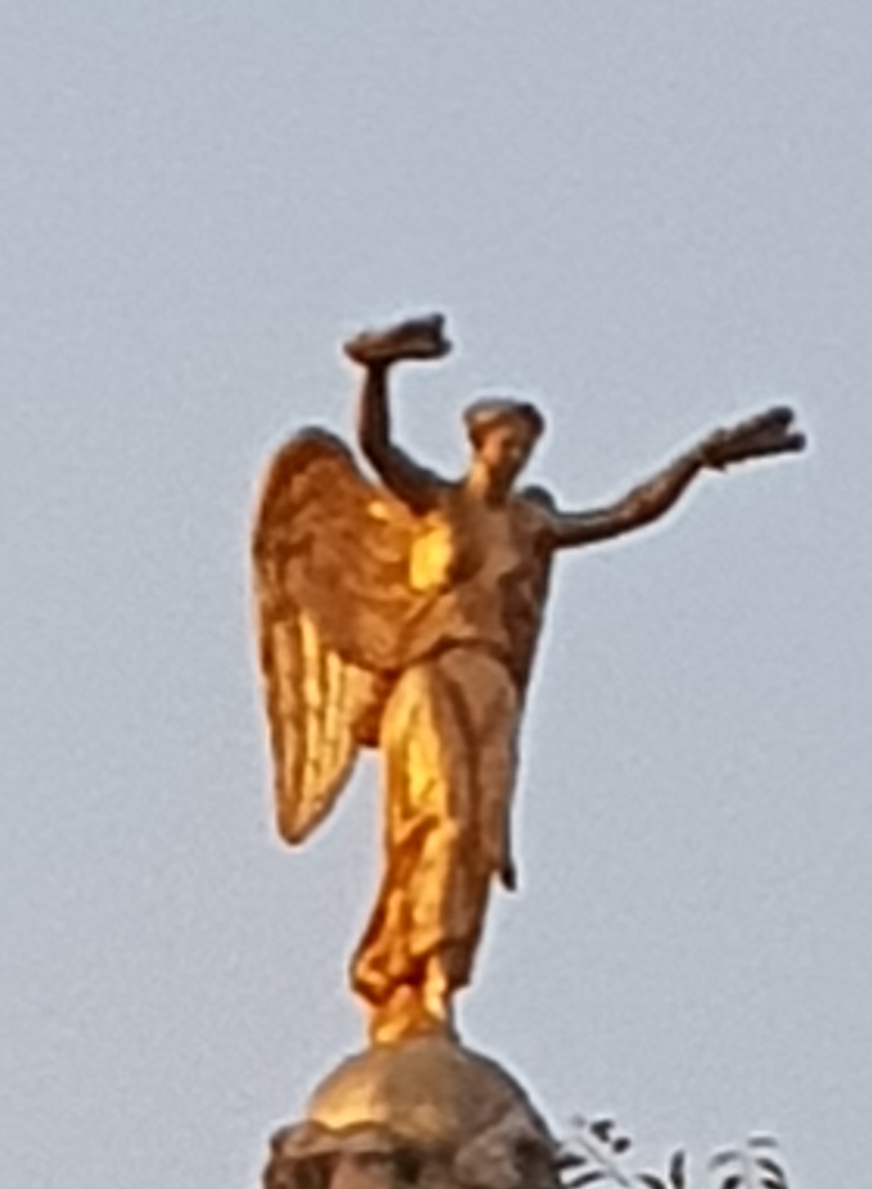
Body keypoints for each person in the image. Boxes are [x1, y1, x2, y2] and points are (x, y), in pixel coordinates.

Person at [252, 315, 803, 1043]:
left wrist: (701, 460)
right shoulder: (435, 503)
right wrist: (378, 370)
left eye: (524, 447)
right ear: (478, 444)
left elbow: (626, 513)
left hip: (490, 680)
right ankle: (397, 964)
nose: (514, 456)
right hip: (429, 674)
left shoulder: (530, 523)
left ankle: (442, 974)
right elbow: (376, 447)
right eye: (505, 443)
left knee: (477, 835)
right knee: (440, 817)